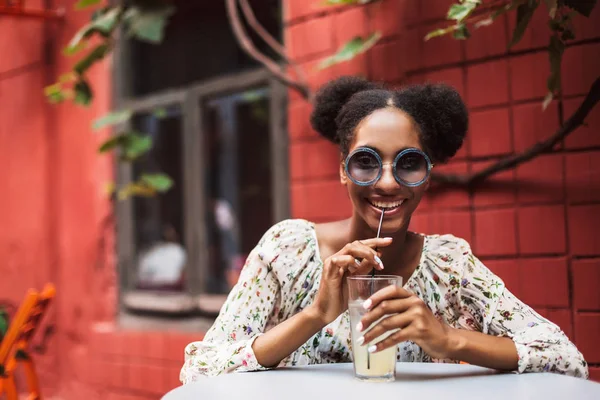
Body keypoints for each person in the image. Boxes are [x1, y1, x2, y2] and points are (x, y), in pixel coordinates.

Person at [179, 76, 589, 382]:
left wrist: (448, 339)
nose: (389, 182)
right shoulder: (287, 251)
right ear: (343, 171)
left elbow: (564, 356)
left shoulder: (449, 266)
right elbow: (200, 369)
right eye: (366, 162)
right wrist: (316, 314)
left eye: (408, 163)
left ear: (428, 175)